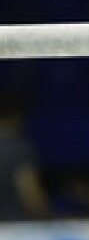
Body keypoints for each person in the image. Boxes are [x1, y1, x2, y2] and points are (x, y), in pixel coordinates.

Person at [0, 93, 50, 222]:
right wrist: (49, 220)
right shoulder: (18, 149)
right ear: (15, 116)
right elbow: (30, 193)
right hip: (15, 229)